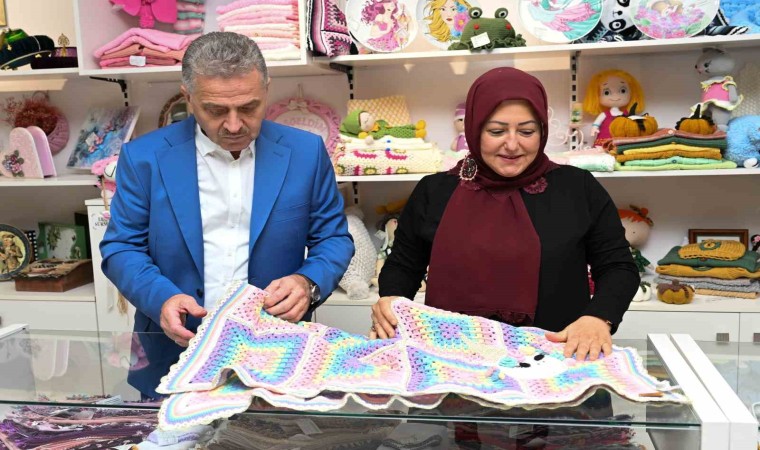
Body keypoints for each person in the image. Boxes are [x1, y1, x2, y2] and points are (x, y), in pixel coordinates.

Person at [100, 32, 354, 398]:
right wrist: (162, 299)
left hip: (278, 352)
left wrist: (307, 282)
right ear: (188, 97)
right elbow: (122, 248)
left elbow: (333, 239)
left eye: (249, 107)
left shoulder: (305, 153)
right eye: (216, 111)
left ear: (266, 89)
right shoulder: (144, 157)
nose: (234, 125)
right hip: (173, 352)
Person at [370, 67, 639, 363]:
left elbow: (618, 267)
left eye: (527, 131)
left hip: (557, 359)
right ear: (474, 129)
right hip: (453, 358)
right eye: (496, 131)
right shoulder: (434, 192)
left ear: (542, 130)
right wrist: (392, 300)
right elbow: (403, 266)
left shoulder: (578, 188)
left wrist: (598, 317)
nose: (512, 145)